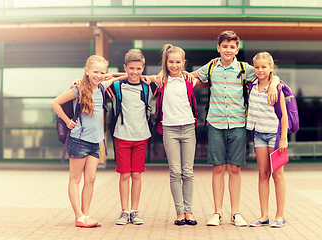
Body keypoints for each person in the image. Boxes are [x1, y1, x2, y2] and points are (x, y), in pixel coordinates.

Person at [192, 30, 280, 227]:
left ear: (237, 49)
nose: (228, 50)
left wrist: (273, 84)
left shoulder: (245, 68)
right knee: (218, 168)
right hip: (215, 123)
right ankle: (217, 213)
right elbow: (190, 78)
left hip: (238, 124)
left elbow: (269, 74)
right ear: (218, 48)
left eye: (232, 47)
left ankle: (235, 213)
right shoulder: (211, 67)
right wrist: (166, 72)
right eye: (224, 46)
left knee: (234, 168)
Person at [51, 55, 121, 228]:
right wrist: (68, 121)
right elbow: (55, 103)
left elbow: (122, 76)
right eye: (95, 71)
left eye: (102, 72)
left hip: (96, 141)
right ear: (87, 71)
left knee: (90, 180)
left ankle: (86, 215)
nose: (98, 75)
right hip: (79, 140)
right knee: (75, 179)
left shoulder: (103, 87)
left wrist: (111, 75)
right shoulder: (79, 89)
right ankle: (79, 216)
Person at [151, 44, 207, 226]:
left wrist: (203, 68)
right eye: (170, 62)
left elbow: (212, 78)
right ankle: (179, 212)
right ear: (165, 63)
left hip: (189, 129)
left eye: (178, 62)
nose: (174, 65)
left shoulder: (190, 80)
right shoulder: (160, 80)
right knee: (175, 172)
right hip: (170, 129)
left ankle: (189, 211)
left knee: (188, 172)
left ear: (184, 62)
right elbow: (135, 76)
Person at [112, 49, 155, 225]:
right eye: (131, 68)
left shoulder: (148, 87)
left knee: (136, 174)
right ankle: (124, 211)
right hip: (121, 136)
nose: (135, 72)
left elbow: (164, 77)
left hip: (141, 137)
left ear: (143, 68)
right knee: (124, 175)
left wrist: (148, 78)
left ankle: (135, 211)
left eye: (138, 69)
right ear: (125, 68)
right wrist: (120, 76)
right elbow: (102, 79)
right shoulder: (117, 87)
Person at [247, 52, 288, 228]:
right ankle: (264, 216)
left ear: (271, 67)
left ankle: (280, 216)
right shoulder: (251, 85)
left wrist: (283, 139)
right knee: (263, 174)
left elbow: (284, 116)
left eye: (264, 66)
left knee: (277, 175)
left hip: (275, 136)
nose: (260, 70)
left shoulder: (276, 88)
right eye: (257, 67)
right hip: (259, 136)